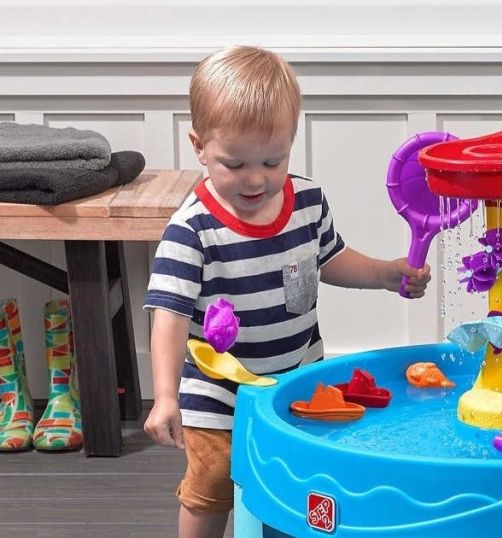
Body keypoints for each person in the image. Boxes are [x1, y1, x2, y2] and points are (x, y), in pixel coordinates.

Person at [142, 45, 431, 538]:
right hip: (218, 395)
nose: (256, 179)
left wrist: (384, 273)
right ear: (198, 146)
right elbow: (167, 317)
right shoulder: (192, 229)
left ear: (291, 143)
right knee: (211, 484)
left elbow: (332, 259)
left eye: (272, 161)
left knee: (297, 480)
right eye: (234, 164)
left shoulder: (308, 201)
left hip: (297, 380)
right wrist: (166, 395)